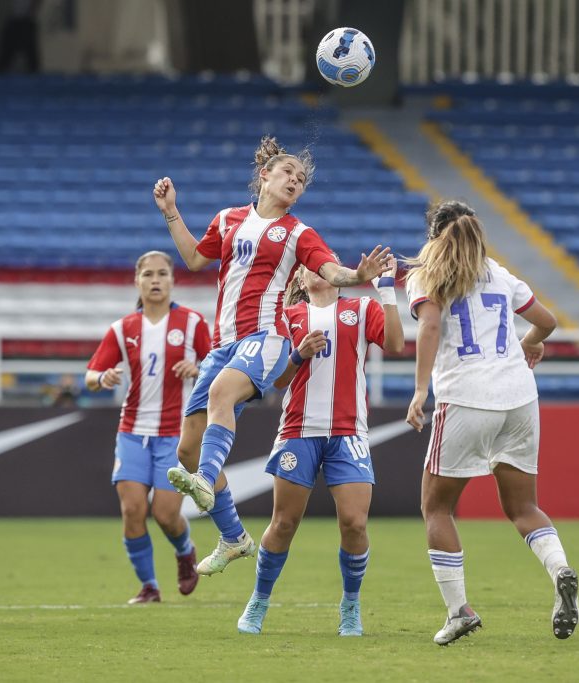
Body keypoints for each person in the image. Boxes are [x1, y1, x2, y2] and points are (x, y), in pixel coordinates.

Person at [152, 135, 395, 576]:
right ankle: (233, 537)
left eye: (301, 180)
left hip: (266, 337)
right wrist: (171, 211)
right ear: (265, 175)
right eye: (288, 173)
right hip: (223, 343)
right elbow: (192, 258)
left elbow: (331, 270)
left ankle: (206, 482)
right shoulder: (227, 220)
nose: (295, 182)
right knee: (187, 449)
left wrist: (358, 274)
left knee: (223, 397)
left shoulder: (299, 233)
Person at [404, 201, 579, 645]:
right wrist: (530, 342)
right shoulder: (499, 273)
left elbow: (428, 327)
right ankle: (560, 569)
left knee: (435, 507)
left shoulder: (427, 274)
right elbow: (548, 321)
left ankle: (458, 611)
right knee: (523, 507)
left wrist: (421, 390)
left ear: (434, 236)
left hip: (465, 398)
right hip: (520, 398)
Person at [236, 260, 404, 636]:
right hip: (298, 430)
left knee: (355, 523)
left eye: (323, 262)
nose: (315, 268)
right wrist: (298, 355)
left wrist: (387, 289)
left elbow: (395, 343)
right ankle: (259, 602)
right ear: (298, 276)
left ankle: (351, 606)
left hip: (349, 432)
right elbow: (274, 381)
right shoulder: (287, 316)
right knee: (283, 523)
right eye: (307, 264)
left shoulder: (361, 309)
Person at [85, 250, 212, 604]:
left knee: (166, 514)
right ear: (137, 281)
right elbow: (90, 375)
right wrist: (103, 377)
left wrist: (198, 369)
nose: (155, 281)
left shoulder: (192, 323)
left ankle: (185, 551)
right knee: (132, 510)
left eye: (162, 274)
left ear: (173, 280)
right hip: (132, 431)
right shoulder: (122, 329)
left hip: (175, 433)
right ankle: (149, 587)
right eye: (148, 275)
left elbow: (219, 366)